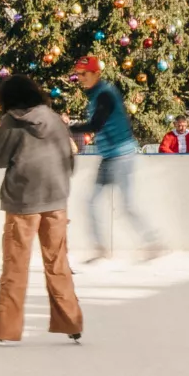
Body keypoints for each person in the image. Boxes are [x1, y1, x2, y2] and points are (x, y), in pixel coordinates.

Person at [0, 74, 83, 346]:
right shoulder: (54, 119)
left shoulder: (11, 122)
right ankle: (71, 321)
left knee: (15, 266)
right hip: (56, 200)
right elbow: (69, 157)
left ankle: (4, 328)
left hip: (23, 202)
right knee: (58, 262)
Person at [69, 56, 162, 261]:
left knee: (126, 205)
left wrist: (68, 128)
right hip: (109, 156)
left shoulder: (105, 95)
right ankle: (100, 248)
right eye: (78, 75)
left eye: (84, 74)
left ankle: (153, 242)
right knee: (90, 201)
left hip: (122, 155)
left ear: (96, 73)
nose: (80, 78)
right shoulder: (97, 95)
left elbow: (96, 125)